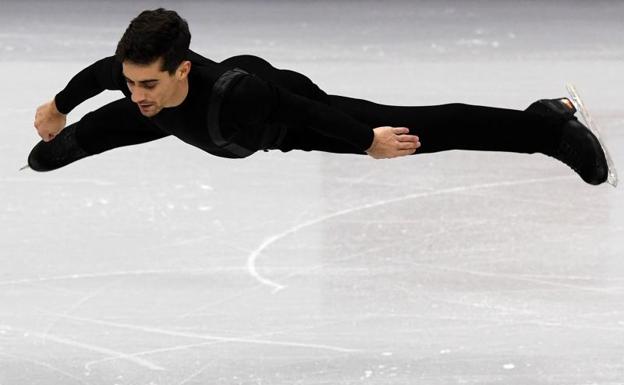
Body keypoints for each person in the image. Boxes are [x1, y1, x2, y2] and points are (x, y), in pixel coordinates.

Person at [30, 8, 609, 185]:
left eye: (148, 83)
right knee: (101, 132)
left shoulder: (241, 98)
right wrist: (58, 108)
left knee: (421, 131)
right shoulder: (140, 82)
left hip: (277, 117)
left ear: (181, 69)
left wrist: (367, 141)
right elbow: (102, 74)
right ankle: (67, 144)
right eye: (131, 81)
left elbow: (301, 111)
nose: (136, 91)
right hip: (202, 118)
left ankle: (549, 127)